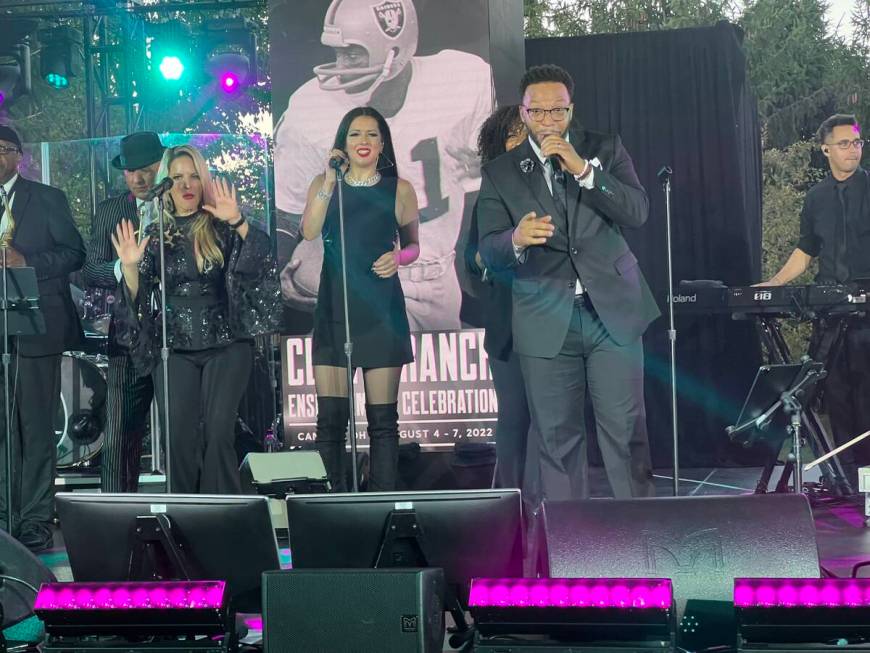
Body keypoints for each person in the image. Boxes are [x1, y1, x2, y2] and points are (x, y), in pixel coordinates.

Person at [477, 65, 659, 500]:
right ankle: (570, 553)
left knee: (625, 433)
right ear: (522, 114)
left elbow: (637, 211)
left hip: (610, 313)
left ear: (570, 110)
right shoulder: (502, 172)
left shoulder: (604, 148)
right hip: (544, 317)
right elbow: (488, 248)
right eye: (537, 112)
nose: (548, 121)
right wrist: (516, 239)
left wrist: (584, 170)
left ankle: (641, 545)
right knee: (557, 440)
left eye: (556, 111)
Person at [273, 0, 492, 330]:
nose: (340, 64)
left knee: (434, 374)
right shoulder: (311, 108)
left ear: (394, 49)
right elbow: (289, 214)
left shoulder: (463, 80)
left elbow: (481, 188)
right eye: (336, 53)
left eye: (352, 53)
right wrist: (277, 268)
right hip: (361, 274)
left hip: (438, 274)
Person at [112, 144, 281, 494]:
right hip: (173, 346)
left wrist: (239, 221)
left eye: (193, 176)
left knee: (219, 432)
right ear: (165, 185)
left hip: (226, 342)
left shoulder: (222, 224)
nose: (186, 184)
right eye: (177, 178)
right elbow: (136, 296)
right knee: (179, 439)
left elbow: (261, 261)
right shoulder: (156, 233)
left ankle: (223, 521)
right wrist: (129, 267)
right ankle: (184, 524)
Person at [302, 106, 419, 492]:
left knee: (383, 421)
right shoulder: (326, 183)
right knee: (331, 421)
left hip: (381, 309)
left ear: (383, 142)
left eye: (372, 135)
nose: (363, 142)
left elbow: (414, 245)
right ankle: (325, 507)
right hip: (336, 306)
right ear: (343, 142)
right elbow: (309, 230)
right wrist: (329, 182)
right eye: (355, 135)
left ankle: (382, 505)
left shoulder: (399, 189)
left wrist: (398, 257)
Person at [759, 113, 870, 484]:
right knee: (836, 400)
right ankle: (848, 482)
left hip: (867, 314)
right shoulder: (816, 198)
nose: (853, 150)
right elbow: (806, 251)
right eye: (844, 144)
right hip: (830, 315)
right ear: (826, 149)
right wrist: (771, 283)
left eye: (857, 142)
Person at [0, 124, 85, 550]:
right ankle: (3, 519)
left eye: (2, 150)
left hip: (36, 327)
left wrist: (25, 260)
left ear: (19, 156)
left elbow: (75, 252)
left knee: (35, 429)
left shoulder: (47, 199)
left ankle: (34, 519)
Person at [464, 105, 539, 500]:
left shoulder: (556, 185)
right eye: (509, 134)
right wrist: (497, 252)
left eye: (523, 132)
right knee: (513, 417)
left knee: (550, 420)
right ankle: (511, 505)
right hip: (508, 323)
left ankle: (550, 509)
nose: (518, 141)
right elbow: (470, 260)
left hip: (554, 319)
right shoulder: (488, 195)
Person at [84, 132, 164, 493]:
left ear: (162, 166)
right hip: (128, 334)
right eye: (131, 172)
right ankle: (115, 518)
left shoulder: (180, 202)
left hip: (177, 333)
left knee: (185, 428)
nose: (140, 179)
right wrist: (123, 267)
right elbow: (91, 270)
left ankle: (192, 516)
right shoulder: (111, 210)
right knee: (118, 435)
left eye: (147, 169)